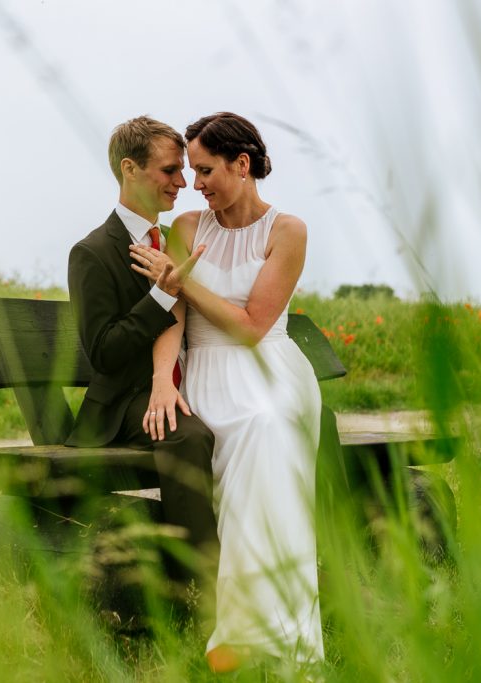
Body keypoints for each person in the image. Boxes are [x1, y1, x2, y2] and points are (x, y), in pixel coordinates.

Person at [130, 112, 324, 671]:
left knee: (265, 430)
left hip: (267, 371)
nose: (195, 183)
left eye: (206, 169)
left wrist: (182, 278)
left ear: (242, 164)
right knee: (245, 437)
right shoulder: (188, 228)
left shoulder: (288, 231)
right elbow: (172, 316)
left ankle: (268, 632)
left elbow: (250, 325)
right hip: (207, 374)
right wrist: (162, 383)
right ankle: (243, 631)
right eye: (191, 171)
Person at [66, 115, 218, 589]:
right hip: (124, 401)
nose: (181, 183)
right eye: (170, 171)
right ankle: (199, 585)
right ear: (130, 169)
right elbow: (104, 353)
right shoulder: (92, 253)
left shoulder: (175, 240)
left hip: (186, 378)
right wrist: (159, 297)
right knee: (186, 436)